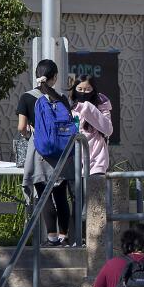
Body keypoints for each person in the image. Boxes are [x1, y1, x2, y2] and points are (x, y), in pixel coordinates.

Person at [22, 60, 77, 246]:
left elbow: (21, 127)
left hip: (40, 152)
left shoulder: (27, 97)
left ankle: (51, 237)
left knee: (43, 195)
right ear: (54, 77)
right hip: (61, 153)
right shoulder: (61, 98)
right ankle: (64, 235)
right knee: (60, 195)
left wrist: (30, 135)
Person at [70, 75, 114, 176]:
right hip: (76, 163)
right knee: (78, 191)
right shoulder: (71, 109)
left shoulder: (102, 108)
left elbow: (108, 129)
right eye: (80, 89)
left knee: (95, 191)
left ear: (93, 90)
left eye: (87, 89)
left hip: (97, 162)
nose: (83, 92)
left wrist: (86, 107)